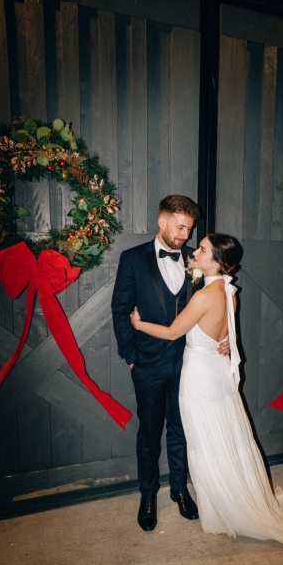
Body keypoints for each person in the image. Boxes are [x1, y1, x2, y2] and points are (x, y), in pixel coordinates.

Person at [131, 233, 283, 546]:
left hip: (198, 376)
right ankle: (233, 497)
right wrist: (225, 340)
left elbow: (173, 333)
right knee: (223, 438)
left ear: (217, 262)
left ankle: (226, 508)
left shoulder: (203, 296)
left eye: (202, 249)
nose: (194, 251)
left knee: (204, 441)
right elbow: (224, 334)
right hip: (215, 374)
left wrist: (139, 324)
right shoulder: (229, 291)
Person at [111, 195, 228, 532]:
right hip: (147, 366)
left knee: (181, 430)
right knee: (149, 433)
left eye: (189, 229)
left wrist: (224, 336)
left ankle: (180, 488)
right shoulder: (133, 259)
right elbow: (121, 310)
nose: (185, 236)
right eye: (180, 227)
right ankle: (148, 495)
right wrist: (131, 358)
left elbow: (219, 302)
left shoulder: (197, 262)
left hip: (189, 364)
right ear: (162, 221)